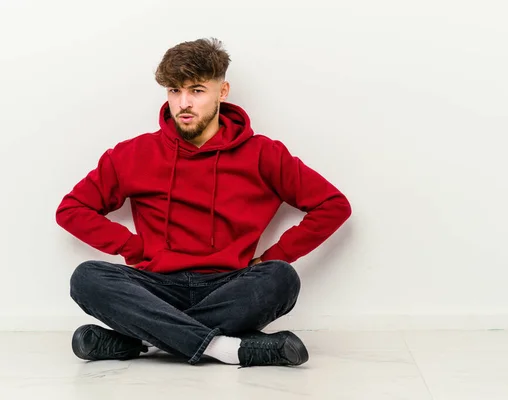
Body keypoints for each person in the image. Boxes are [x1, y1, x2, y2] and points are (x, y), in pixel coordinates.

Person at [55, 38, 351, 367]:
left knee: (281, 278)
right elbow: (72, 210)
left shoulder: (263, 154)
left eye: (196, 90)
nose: (183, 103)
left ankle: (141, 340)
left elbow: (333, 205)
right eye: (174, 91)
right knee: (87, 278)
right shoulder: (133, 154)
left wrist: (273, 257)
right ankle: (228, 349)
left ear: (222, 91)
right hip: (156, 285)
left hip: (229, 283)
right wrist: (132, 248)